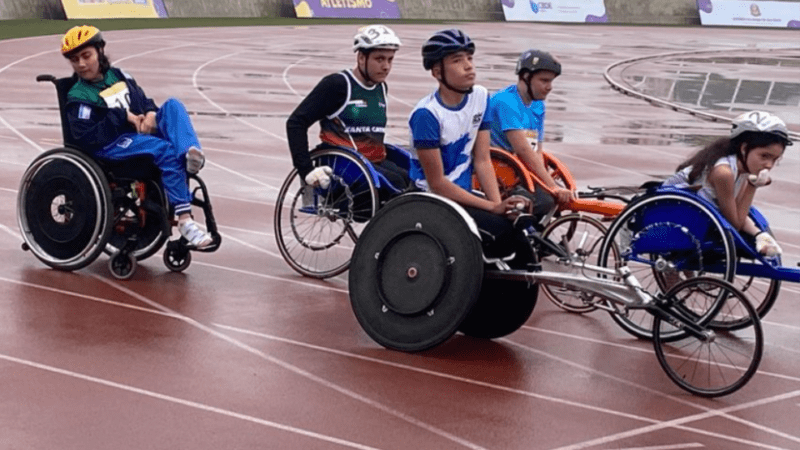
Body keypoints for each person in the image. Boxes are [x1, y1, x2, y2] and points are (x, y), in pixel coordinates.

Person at [61, 25, 212, 248]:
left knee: (173, 106)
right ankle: (184, 219)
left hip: (136, 134)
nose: (81, 64)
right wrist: (124, 117)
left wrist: (150, 114)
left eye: (86, 56)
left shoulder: (120, 76)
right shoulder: (79, 95)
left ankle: (190, 155)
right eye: (75, 60)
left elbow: (143, 102)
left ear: (100, 50)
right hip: (111, 145)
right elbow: (86, 136)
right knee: (165, 150)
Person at [407, 29, 535, 267]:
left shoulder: (481, 97)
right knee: (497, 233)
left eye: (469, 58)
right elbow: (437, 184)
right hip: (433, 200)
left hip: (464, 194)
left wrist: (500, 207)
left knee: (519, 231)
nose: (468, 66)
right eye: (457, 60)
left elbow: (483, 160)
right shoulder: (426, 115)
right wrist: (492, 207)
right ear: (437, 72)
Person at [286, 24, 408, 195]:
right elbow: (296, 122)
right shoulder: (337, 85)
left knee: (414, 178)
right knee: (397, 185)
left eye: (390, 59)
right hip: (347, 167)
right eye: (379, 59)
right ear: (361, 58)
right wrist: (306, 170)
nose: (386, 66)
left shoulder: (381, 88)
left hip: (375, 161)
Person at [663, 110, 793, 256]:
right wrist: (752, 186)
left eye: (775, 160)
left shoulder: (742, 169)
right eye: (764, 156)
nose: (769, 165)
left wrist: (759, 235)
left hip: (699, 215)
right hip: (673, 213)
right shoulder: (723, 173)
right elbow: (735, 223)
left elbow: (738, 211)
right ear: (744, 149)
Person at [484, 49, 574, 220]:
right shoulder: (506, 102)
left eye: (552, 81)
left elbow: (536, 149)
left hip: (517, 169)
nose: (549, 87)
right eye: (544, 80)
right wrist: (551, 186)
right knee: (544, 200)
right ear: (525, 76)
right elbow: (523, 149)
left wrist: (546, 183)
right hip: (497, 172)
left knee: (550, 198)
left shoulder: (537, 105)